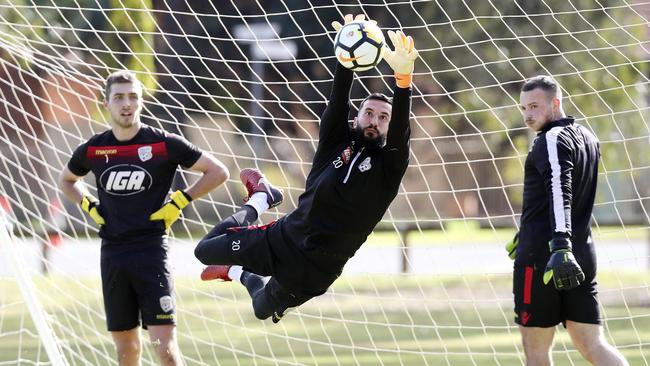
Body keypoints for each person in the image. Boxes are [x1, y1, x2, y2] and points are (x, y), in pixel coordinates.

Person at [194, 14, 418, 323]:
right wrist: (346, 56)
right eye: (369, 113)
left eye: (383, 118)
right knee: (204, 251)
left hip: (318, 269)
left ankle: (237, 271)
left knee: (262, 309)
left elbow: (401, 134)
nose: (374, 120)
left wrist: (403, 81)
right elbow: (338, 101)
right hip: (285, 237)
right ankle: (260, 198)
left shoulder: (388, 168)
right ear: (357, 118)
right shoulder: (335, 145)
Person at [58, 70, 229, 366]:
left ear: (141, 102)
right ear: (106, 103)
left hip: (151, 253)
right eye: (119, 97)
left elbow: (218, 172)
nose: (127, 103)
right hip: (113, 254)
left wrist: (181, 200)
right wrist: (89, 205)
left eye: (133, 97)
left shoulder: (164, 144)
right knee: (127, 351)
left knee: (164, 347)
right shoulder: (94, 148)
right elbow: (67, 180)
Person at [507, 75, 629, 366]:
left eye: (535, 106)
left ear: (556, 103)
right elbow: (567, 196)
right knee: (593, 345)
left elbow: (560, 188)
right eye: (524, 108)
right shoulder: (588, 136)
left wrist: (559, 245)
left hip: (546, 258)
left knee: (536, 352)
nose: (528, 115)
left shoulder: (550, 138)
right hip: (582, 254)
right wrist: (527, 229)